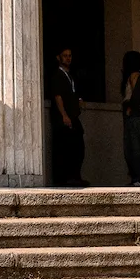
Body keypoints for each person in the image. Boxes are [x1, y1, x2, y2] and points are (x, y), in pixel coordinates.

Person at [48, 47, 86, 187]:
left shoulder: (71, 75)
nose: (68, 58)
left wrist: (79, 100)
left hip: (73, 116)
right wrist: (64, 115)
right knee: (65, 148)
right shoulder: (57, 75)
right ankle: (65, 178)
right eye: (65, 56)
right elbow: (58, 96)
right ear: (59, 57)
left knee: (78, 146)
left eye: (70, 55)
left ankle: (75, 176)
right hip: (63, 118)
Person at [120, 50, 140, 186]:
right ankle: (139, 177)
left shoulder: (134, 75)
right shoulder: (137, 75)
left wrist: (130, 107)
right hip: (137, 113)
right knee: (135, 145)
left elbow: (136, 94)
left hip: (134, 113)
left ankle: (139, 177)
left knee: (135, 147)